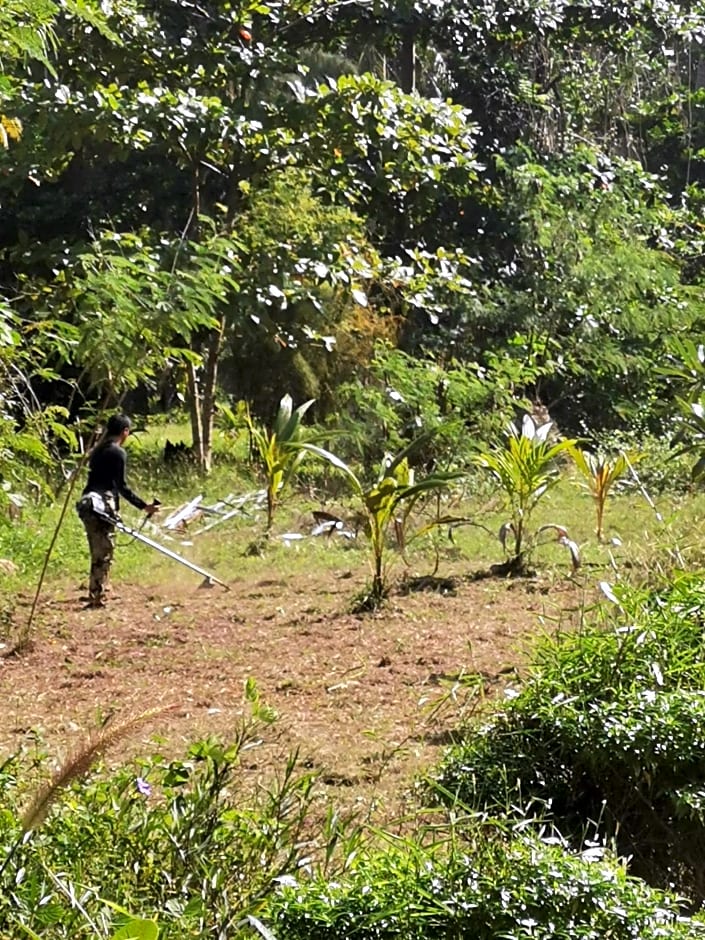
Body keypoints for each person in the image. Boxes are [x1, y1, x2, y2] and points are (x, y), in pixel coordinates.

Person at [76, 413, 159, 608]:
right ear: (125, 432)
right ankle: (97, 597)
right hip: (102, 504)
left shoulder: (97, 451)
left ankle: (97, 589)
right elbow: (121, 486)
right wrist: (144, 506)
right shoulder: (117, 453)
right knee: (105, 551)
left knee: (97, 549)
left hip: (87, 502)